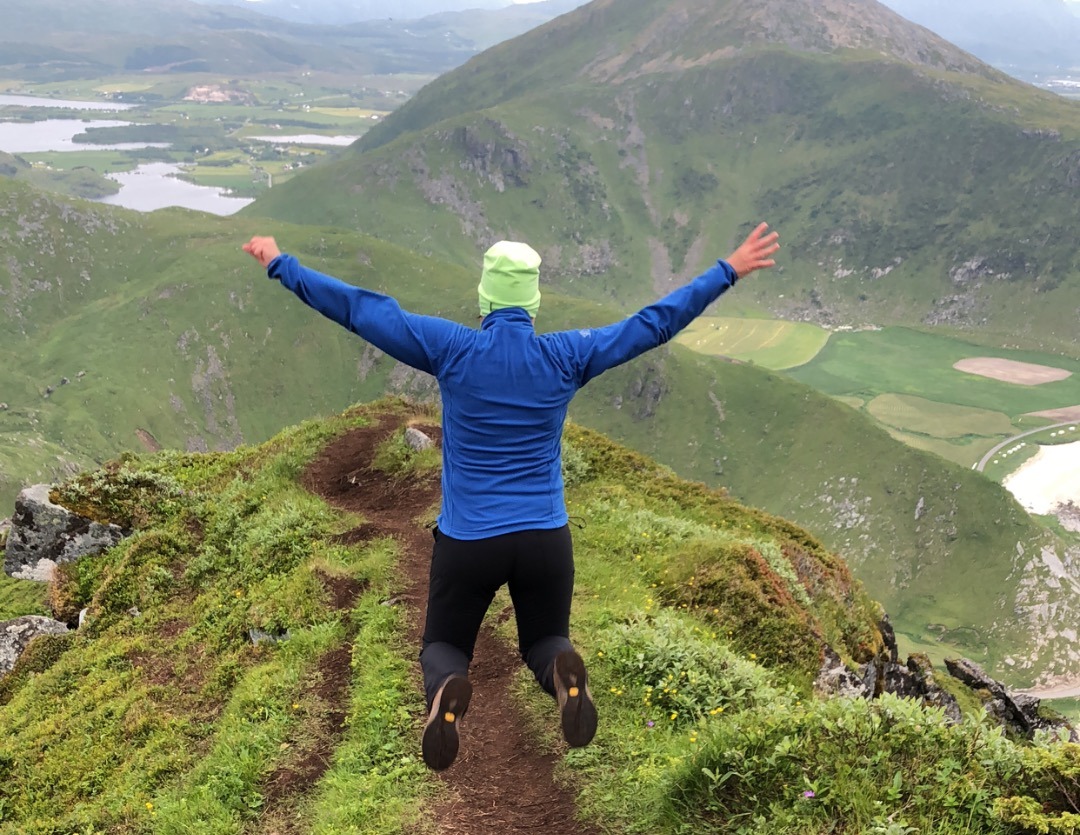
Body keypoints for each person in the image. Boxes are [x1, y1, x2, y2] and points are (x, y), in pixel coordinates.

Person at [243, 224, 780, 771]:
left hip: (470, 540)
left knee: (443, 648)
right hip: (545, 539)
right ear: (535, 300)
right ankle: (564, 678)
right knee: (544, 639)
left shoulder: (452, 348)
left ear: (485, 296)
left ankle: (448, 687)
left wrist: (281, 264)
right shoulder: (566, 356)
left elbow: (362, 310)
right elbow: (651, 325)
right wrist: (727, 269)